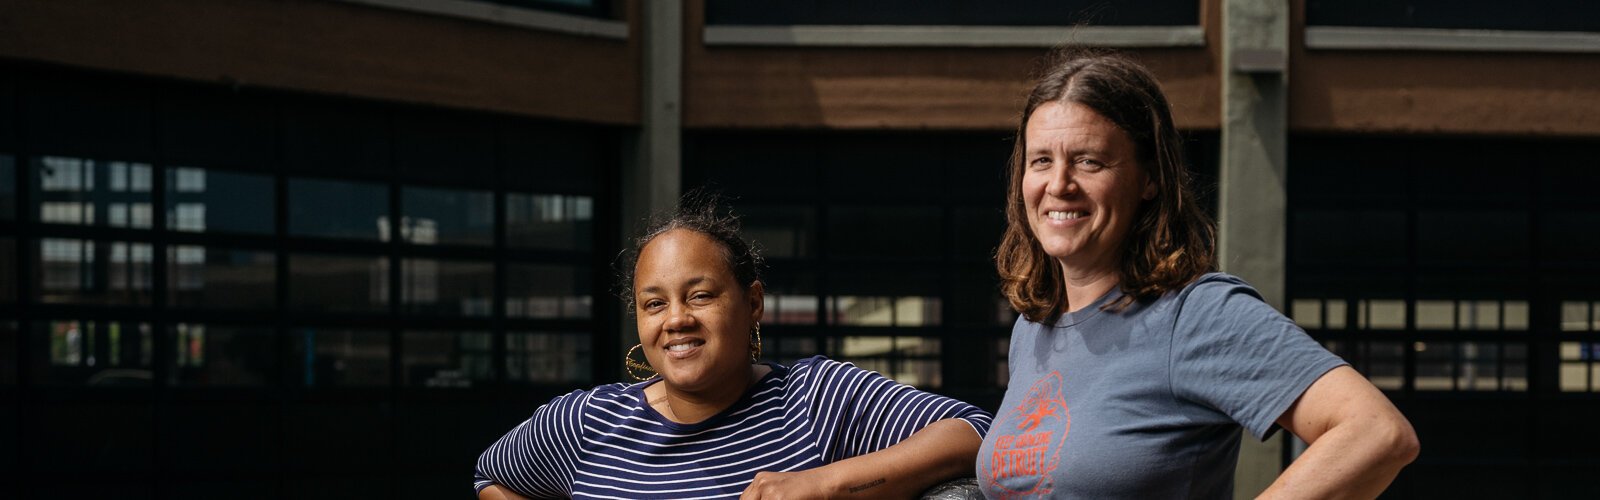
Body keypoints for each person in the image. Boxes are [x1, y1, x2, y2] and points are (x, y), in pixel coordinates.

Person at [978, 50, 1419, 498]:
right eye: (1041, 161)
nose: (1059, 184)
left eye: (1089, 161)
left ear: (1150, 179)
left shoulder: (1195, 314)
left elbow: (1376, 432)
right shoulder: (1033, 331)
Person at [475, 193, 992, 499]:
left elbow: (976, 433)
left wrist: (822, 486)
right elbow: (491, 476)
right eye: (654, 304)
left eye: (700, 296)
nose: (676, 319)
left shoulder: (816, 398)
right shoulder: (587, 423)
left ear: (753, 304)